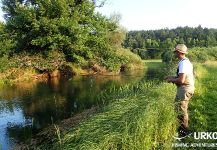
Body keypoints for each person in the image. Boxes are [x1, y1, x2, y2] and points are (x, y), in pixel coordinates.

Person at [165, 44, 195, 136]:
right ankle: (181, 128)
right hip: (187, 88)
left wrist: (170, 80)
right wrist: (172, 77)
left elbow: (181, 80)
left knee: (181, 111)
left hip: (184, 89)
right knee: (180, 108)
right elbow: (182, 77)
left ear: (179, 52)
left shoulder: (183, 63)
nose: (174, 54)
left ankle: (183, 132)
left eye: (175, 52)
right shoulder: (185, 62)